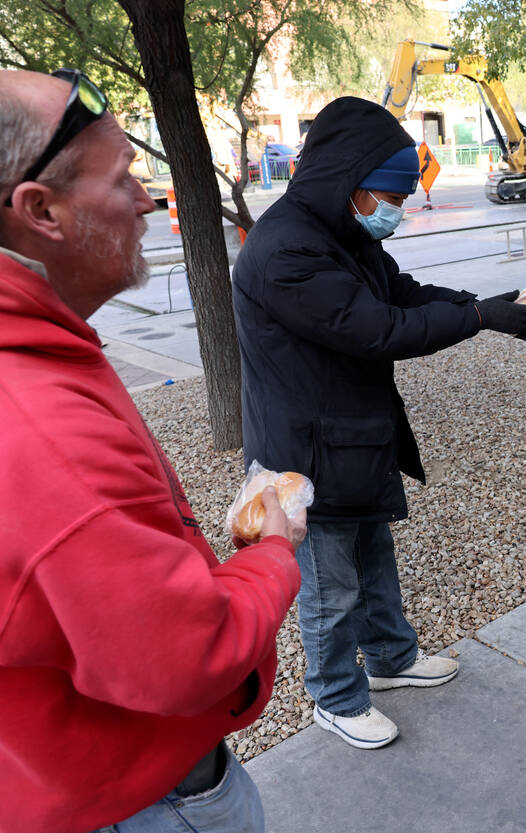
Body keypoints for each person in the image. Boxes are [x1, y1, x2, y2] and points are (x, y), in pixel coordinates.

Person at [0, 69, 306, 833]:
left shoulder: (36, 349)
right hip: (142, 801)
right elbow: (184, 653)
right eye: (124, 178)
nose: (148, 198)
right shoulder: (42, 430)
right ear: (42, 211)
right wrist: (272, 551)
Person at [232, 96, 526, 751]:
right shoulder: (286, 249)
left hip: (351, 436)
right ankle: (336, 696)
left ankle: (393, 658)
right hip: (305, 454)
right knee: (331, 584)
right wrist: (481, 319)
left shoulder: (343, 231)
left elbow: (402, 295)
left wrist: (486, 304)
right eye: (390, 194)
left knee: (373, 560)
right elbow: (380, 330)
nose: (397, 208)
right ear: (350, 183)